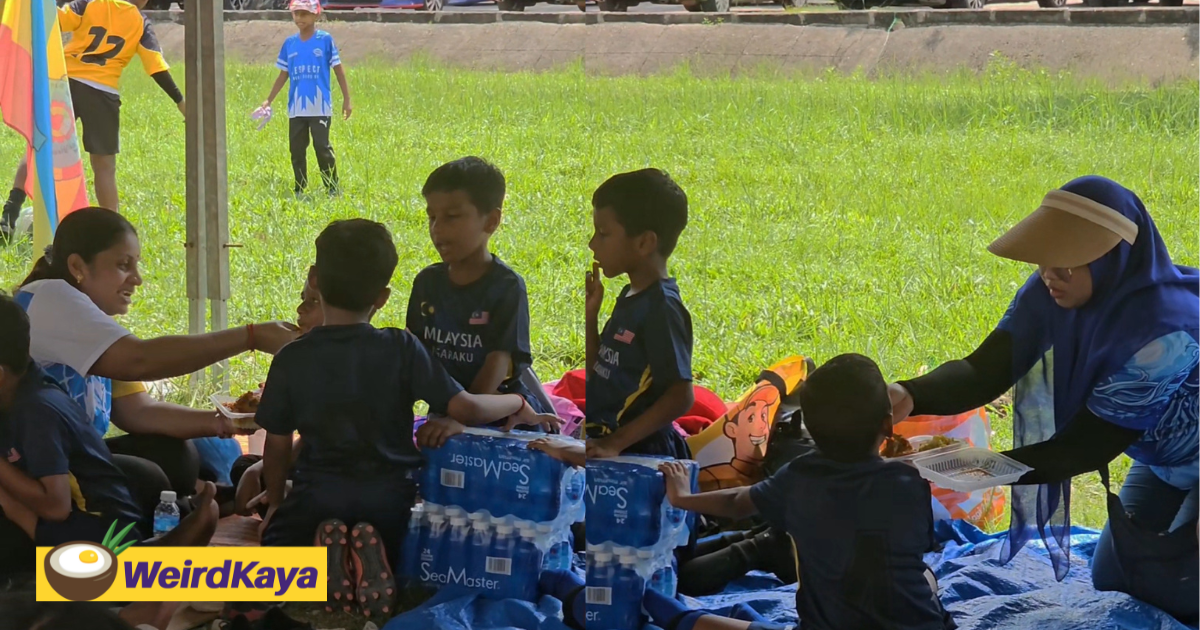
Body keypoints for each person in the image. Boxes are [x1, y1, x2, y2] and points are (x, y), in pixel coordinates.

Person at [889, 176, 1198, 622]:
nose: (1050, 275)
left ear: (1115, 259)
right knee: (1115, 577)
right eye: (1044, 262)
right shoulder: (1051, 291)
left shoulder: (1163, 336)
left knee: (1185, 596)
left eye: (1068, 263)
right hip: (1166, 457)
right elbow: (984, 370)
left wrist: (973, 467)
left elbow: (1081, 449)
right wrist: (908, 394)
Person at [255, 219, 561, 618]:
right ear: (382, 297)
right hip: (389, 500)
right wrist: (517, 402)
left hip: (318, 495)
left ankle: (323, 571)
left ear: (314, 280)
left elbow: (276, 446)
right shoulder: (400, 347)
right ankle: (367, 564)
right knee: (407, 551)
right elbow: (466, 407)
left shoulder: (292, 357)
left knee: (273, 550)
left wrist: (277, 504)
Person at [14, 208, 298, 517]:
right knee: (149, 477)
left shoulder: (90, 322)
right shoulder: (49, 298)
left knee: (179, 455)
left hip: (76, 458)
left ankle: (205, 502)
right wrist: (250, 337)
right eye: (124, 266)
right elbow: (141, 360)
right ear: (77, 266)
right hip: (37, 465)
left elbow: (138, 411)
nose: (137, 279)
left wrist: (227, 422)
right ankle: (196, 509)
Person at [661, 354, 956, 630]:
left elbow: (738, 502)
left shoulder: (799, 477)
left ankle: (673, 615)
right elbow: (914, 551)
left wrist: (683, 498)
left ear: (810, 430)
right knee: (927, 578)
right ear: (888, 424)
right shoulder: (908, 482)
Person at [0, 295, 219, 573]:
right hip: (87, 521)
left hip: (94, 530)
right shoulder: (19, 388)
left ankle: (148, 572)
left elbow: (56, 508)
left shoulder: (36, 412)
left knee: (32, 591)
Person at [1, 0, 184, 228]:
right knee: (104, 168)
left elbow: (56, 20)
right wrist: (179, 100)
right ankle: (113, 230)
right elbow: (156, 65)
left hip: (63, 84)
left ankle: (11, 212)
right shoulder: (140, 22)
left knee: (37, 147)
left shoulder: (90, 4)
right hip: (102, 93)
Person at [407, 157, 550, 428]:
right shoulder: (427, 282)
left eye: (452, 217)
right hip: (449, 410)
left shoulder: (506, 287)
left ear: (491, 221)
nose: (437, 228)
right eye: (432, 217)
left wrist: (460, 419)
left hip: (502, 414)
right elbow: (415, 354)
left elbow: (498, 362)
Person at [585, 168, 695, 459]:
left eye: (604, 234)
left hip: (643, 453)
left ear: (645, 242)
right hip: (610, 443)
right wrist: (591, 315)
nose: (592, 244)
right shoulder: (630, 295)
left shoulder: (662, 308)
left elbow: (680, 396)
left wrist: (615, 443)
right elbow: (599, 374)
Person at [258, 0, 352, 198]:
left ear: (316, 15)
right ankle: (300, 188)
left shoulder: (324, 40)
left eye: (304, 14)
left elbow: (338, 70)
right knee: (297, 149)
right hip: (297, 109)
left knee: (322, 147)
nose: (299, 18)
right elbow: (283, 74)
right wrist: (269, 99)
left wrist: (347, 99)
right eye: (296, 14)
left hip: (319, 107)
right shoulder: (289, 44)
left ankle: (332, 188)